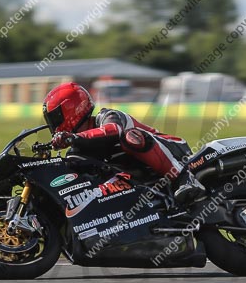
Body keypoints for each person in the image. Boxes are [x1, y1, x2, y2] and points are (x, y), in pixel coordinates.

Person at [42, 82, 205, 204]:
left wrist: (73, 137)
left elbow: (114, 130)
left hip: (175, 152)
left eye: (54, 118)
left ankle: (184, 178)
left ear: (72, 109)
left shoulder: (108, 116)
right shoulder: (77, 150)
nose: (53, 125)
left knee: (130, 137)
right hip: (148, 178)